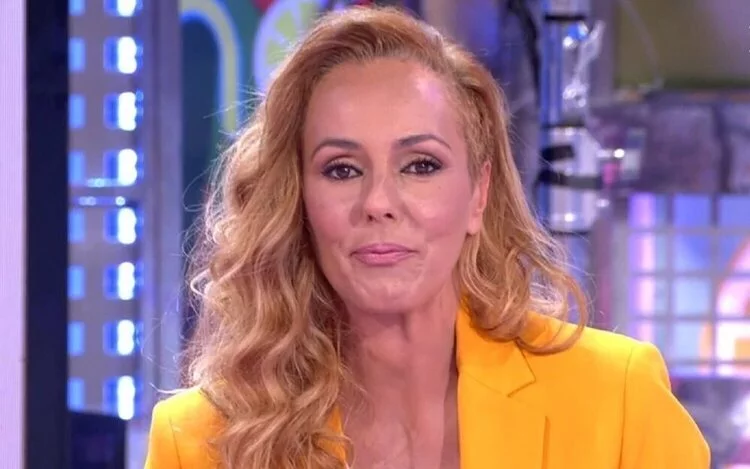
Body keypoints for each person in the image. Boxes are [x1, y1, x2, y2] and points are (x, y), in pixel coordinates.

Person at [145, 6, 709, 469]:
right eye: (342, 169)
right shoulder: (199, 441)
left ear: (479, 194)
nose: (378, 203)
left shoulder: (617, 401)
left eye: (420, 165)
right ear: (298, 201)